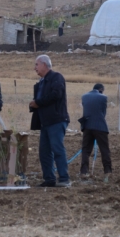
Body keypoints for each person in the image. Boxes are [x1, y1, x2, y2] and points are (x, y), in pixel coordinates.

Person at [29, 55, 71, 187]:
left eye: (36, 64)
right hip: (45, 122)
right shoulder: (41, 82)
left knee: (57, 149)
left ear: (44, 64)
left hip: (56, 120)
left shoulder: (56, 77)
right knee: (44, 153)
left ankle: (64, 179)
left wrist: (38, 102)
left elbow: (55, 95)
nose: (35, 68)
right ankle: (49, 179)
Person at [79, 83, 112, 181]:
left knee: (85, 150)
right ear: (101, 89)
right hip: (100, 127)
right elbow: (103, 113)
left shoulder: (84, 96)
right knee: (104, 150)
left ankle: (83, 172)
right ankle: (107, 171)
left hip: (87, 126)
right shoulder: (103, 97)